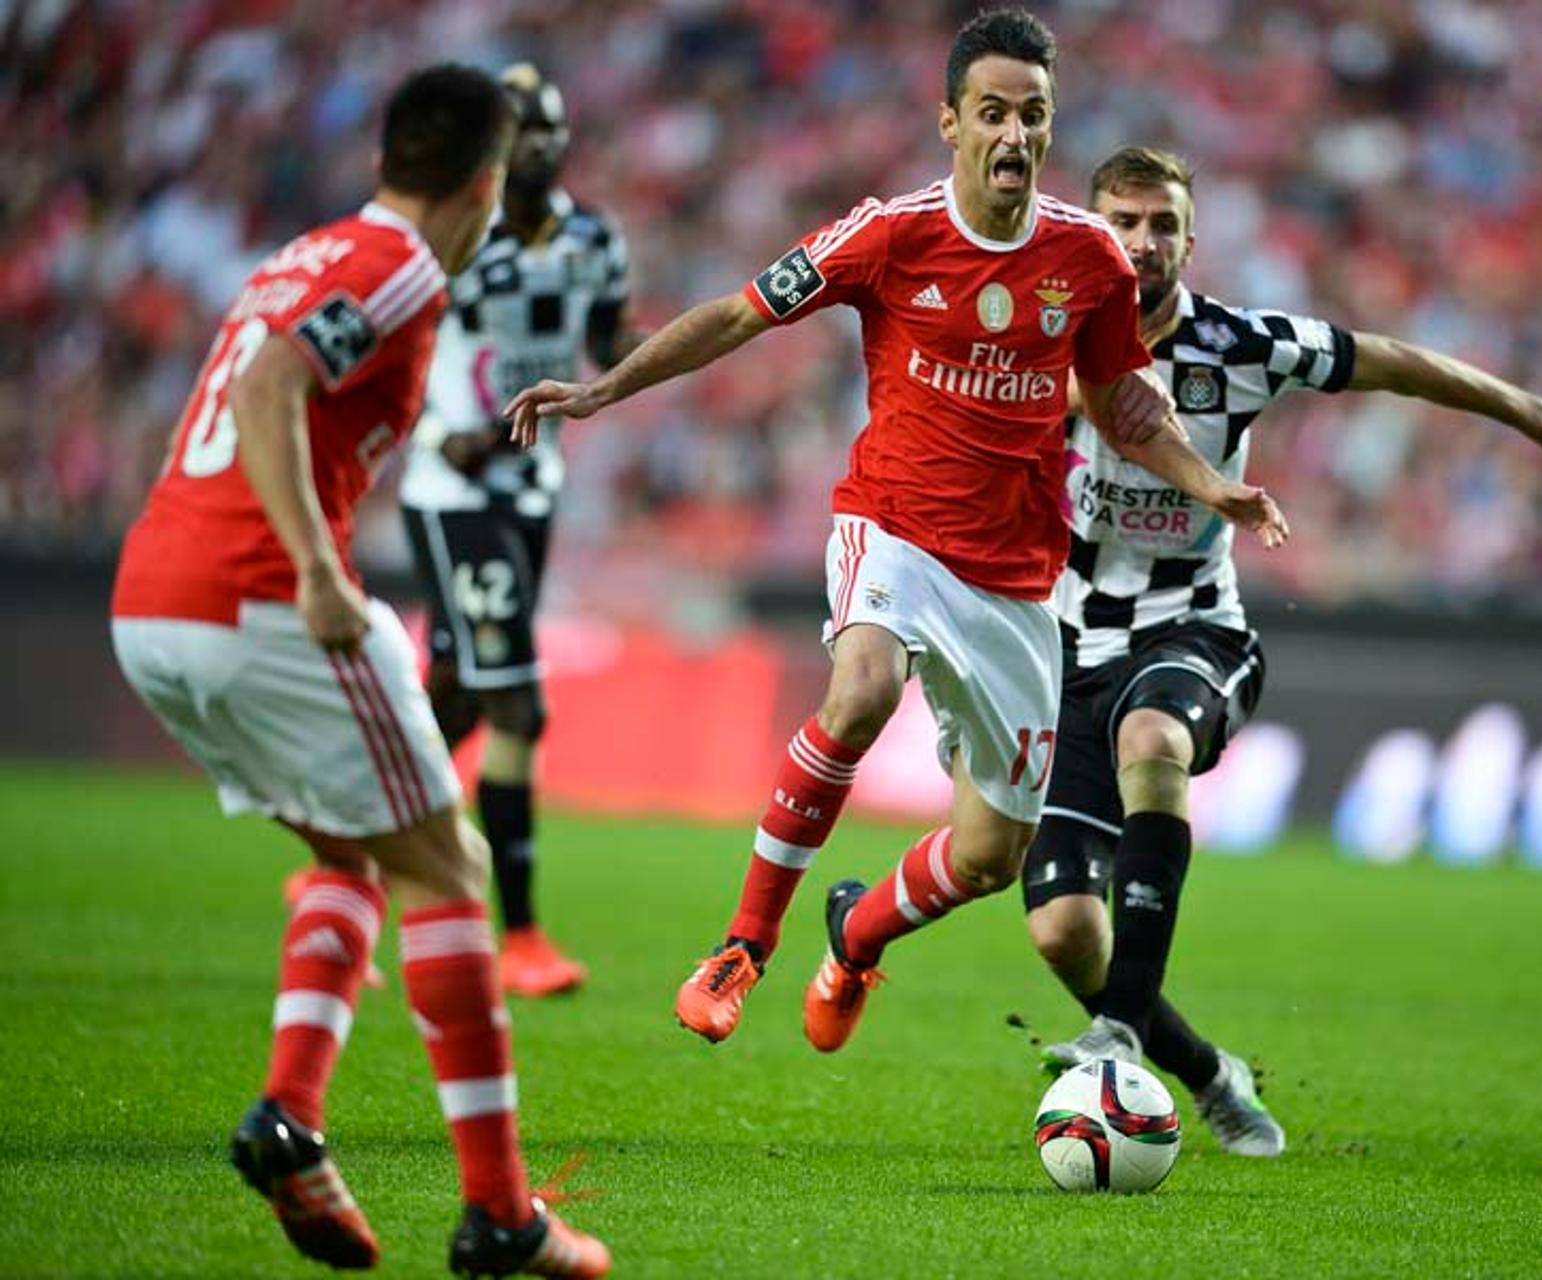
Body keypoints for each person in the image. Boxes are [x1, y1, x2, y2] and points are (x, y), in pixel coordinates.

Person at [504, 8, 1286, 1054]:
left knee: (989, 855)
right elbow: (741, 313)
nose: (1015, 135)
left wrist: (1211, 485)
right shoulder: (888, 233)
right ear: (951, 124)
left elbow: (1121, 402)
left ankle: (857, 933)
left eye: (1035, 115)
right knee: (863, 688)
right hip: (895, 528)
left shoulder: (1089, 258)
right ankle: (742, 945)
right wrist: (606, 391)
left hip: (1017, 578)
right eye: (994, 113)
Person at [109, 64, 610, 1278]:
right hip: (264, 597)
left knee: (353, 853)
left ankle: (288, 1117)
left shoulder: (312, 249)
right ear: (486, 181)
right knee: (449, 863)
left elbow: (261, 375)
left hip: (151, 607)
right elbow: (276, 385)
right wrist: (319, 574)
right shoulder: (402, 266)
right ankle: (500, 1212)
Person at [1022, 145, 1542, 1155]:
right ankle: (1208, 1070)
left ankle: (1116, 1036)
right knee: (1062, 931)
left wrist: (1534, 413)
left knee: (1157, 738)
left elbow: (1393, 359)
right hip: (1069, 646)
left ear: (1189, 239)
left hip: (1195, 629)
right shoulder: (1047, 343)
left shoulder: (1239, 344)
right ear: (1094, 232)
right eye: (1124, 220)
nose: (1144, 240)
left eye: (1163, 222)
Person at [398, 62, 641, 997]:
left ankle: (344, 845)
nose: (540, 144)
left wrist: (681, 347)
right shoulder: (458, 235)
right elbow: (400, 343)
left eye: (551, 127)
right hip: (453, 491)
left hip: (531, 487)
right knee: (518, 705)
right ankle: (523, 937)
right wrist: (436, 428)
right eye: (521, 131)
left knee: (460, 688)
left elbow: (610, 340)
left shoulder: (593, 237)